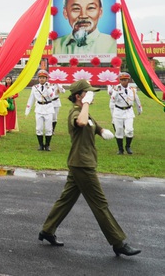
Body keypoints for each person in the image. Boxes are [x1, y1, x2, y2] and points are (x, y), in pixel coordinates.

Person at [38, 79, 141, 257]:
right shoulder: (75, 113)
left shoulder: (85, 112)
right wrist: (85, 104)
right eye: (88, 93)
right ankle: (118, 242)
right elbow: (82, 122)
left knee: (66, 200)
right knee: (100, 204)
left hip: (81, 163)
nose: (92, 96)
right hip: (82, 165)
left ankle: (47, 231)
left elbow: (92, 124)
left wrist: (101, 131)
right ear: (78, 96)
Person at [52, 0, 117, 55]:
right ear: (65, 13)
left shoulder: (111, 44)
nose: (83, 16)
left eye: (90, 8)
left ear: (100, 12)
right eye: (76, 9)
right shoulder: (56, 46)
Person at [108, 72, 142, 155]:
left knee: (129, 130)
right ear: (120, 80)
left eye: (125, 80)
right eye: (122, 80)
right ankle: (120, 149)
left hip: (128, 112)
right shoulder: (116, 88)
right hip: (118, 111)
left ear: (128, 80)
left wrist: (139, 109)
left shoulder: (132, 89)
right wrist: (115, 92)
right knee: (119, 131)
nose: (123, 81)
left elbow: (136, 99)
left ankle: (128, 146)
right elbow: (113, 100)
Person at [25, 70, 56, 151]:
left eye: (43, 78)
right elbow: (31, 99)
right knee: (39, 128)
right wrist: (27, 109)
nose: (42, 79)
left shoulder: (50, 87)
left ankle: (48, 145)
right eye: (40, 78)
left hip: (48, 108)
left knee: (49, 129)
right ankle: (41, 145)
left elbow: (53, 97)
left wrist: (48, 87)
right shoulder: (35, 87)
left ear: (46, 78)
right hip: (39, 108)